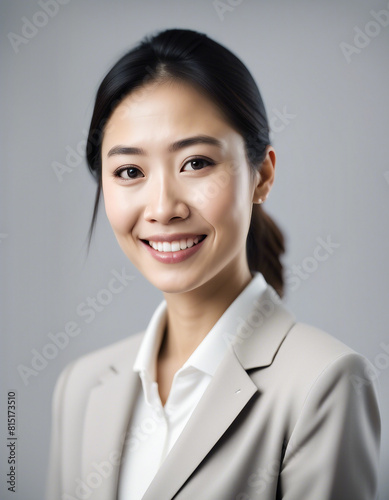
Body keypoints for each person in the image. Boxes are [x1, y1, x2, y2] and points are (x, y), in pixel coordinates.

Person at [46, 28, 380, 500]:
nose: (163, 207)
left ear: (261, 175)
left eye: (196, 163)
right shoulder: (80, 387)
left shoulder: (324, 383)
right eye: (129, 172)